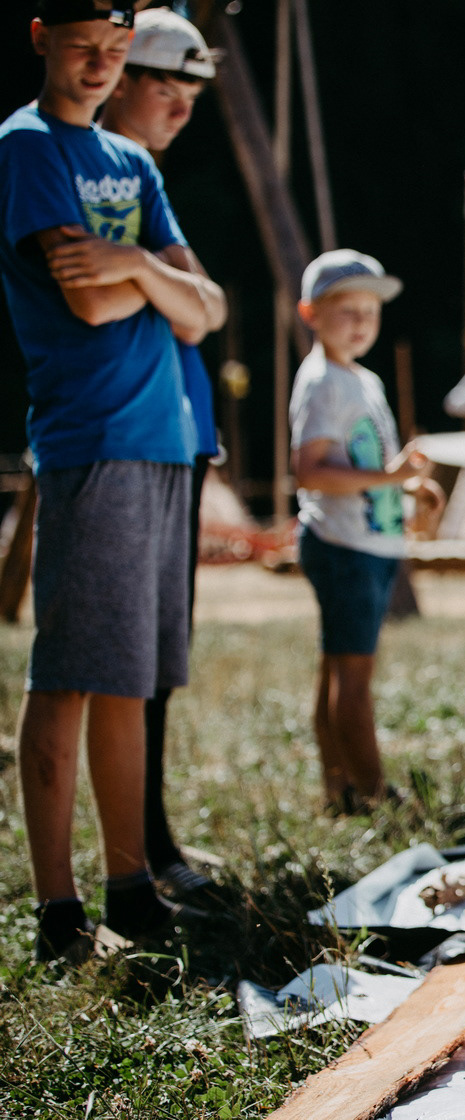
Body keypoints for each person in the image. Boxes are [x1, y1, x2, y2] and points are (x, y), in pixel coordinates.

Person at [3, 0, 224, 963]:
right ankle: (58, 911)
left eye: (114, 49)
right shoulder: (26, 144)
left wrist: (129, 260)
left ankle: (130, 889)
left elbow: (203, 310)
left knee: (129, 677)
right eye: (83, 47)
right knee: (70, 676)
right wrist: (146, 283)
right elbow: (88, 304)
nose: (98, 65)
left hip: (162, 440)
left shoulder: (132, 164)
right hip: (91, 439)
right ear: (41, 37)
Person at [98, 5, 228, 907]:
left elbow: (205, 307)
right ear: (117, 76)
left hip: (179, 438)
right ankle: (135, 856)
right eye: (164, 84)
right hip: (121, 438)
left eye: (192, 90)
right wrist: (165, 285)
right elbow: (148, 304)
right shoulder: (95, 177)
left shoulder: (148, 182)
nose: (181, 105)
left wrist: (155, 281)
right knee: (120, 670)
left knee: (157, 664)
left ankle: (152, 837)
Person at [289, 249, 429, 813]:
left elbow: (365, 469)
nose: (360, 322)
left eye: (369, 311)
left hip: (366, 543)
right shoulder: (323, 382)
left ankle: (340, 791)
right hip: (343, 547)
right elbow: (310, 471)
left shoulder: (360, 379)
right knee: (353, 675)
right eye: (345, 310)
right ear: (310, 314)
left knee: (338, 668)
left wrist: (409, 489)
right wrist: (392, 477)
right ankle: (374, 795)